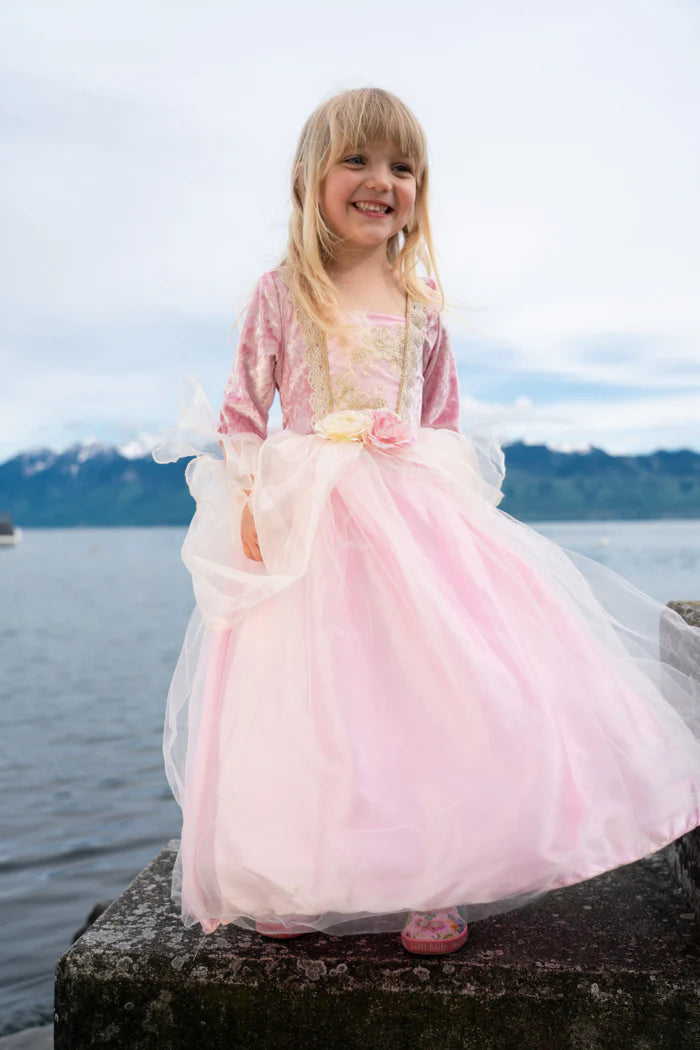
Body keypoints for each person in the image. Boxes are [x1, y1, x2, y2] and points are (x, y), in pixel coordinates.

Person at [154, 87, 700, 957]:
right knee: (309, 696)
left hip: (410, 508)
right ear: (308, 179)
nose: (382, 181)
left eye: (403, 167)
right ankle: (301, 869)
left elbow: (442, 417)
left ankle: (435, 875)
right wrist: (251, 498)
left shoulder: (420, 301)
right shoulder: (282, 292)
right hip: (309, 521)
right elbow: (243, 410)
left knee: (428, 689)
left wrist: (457, 516)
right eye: (359, 162)